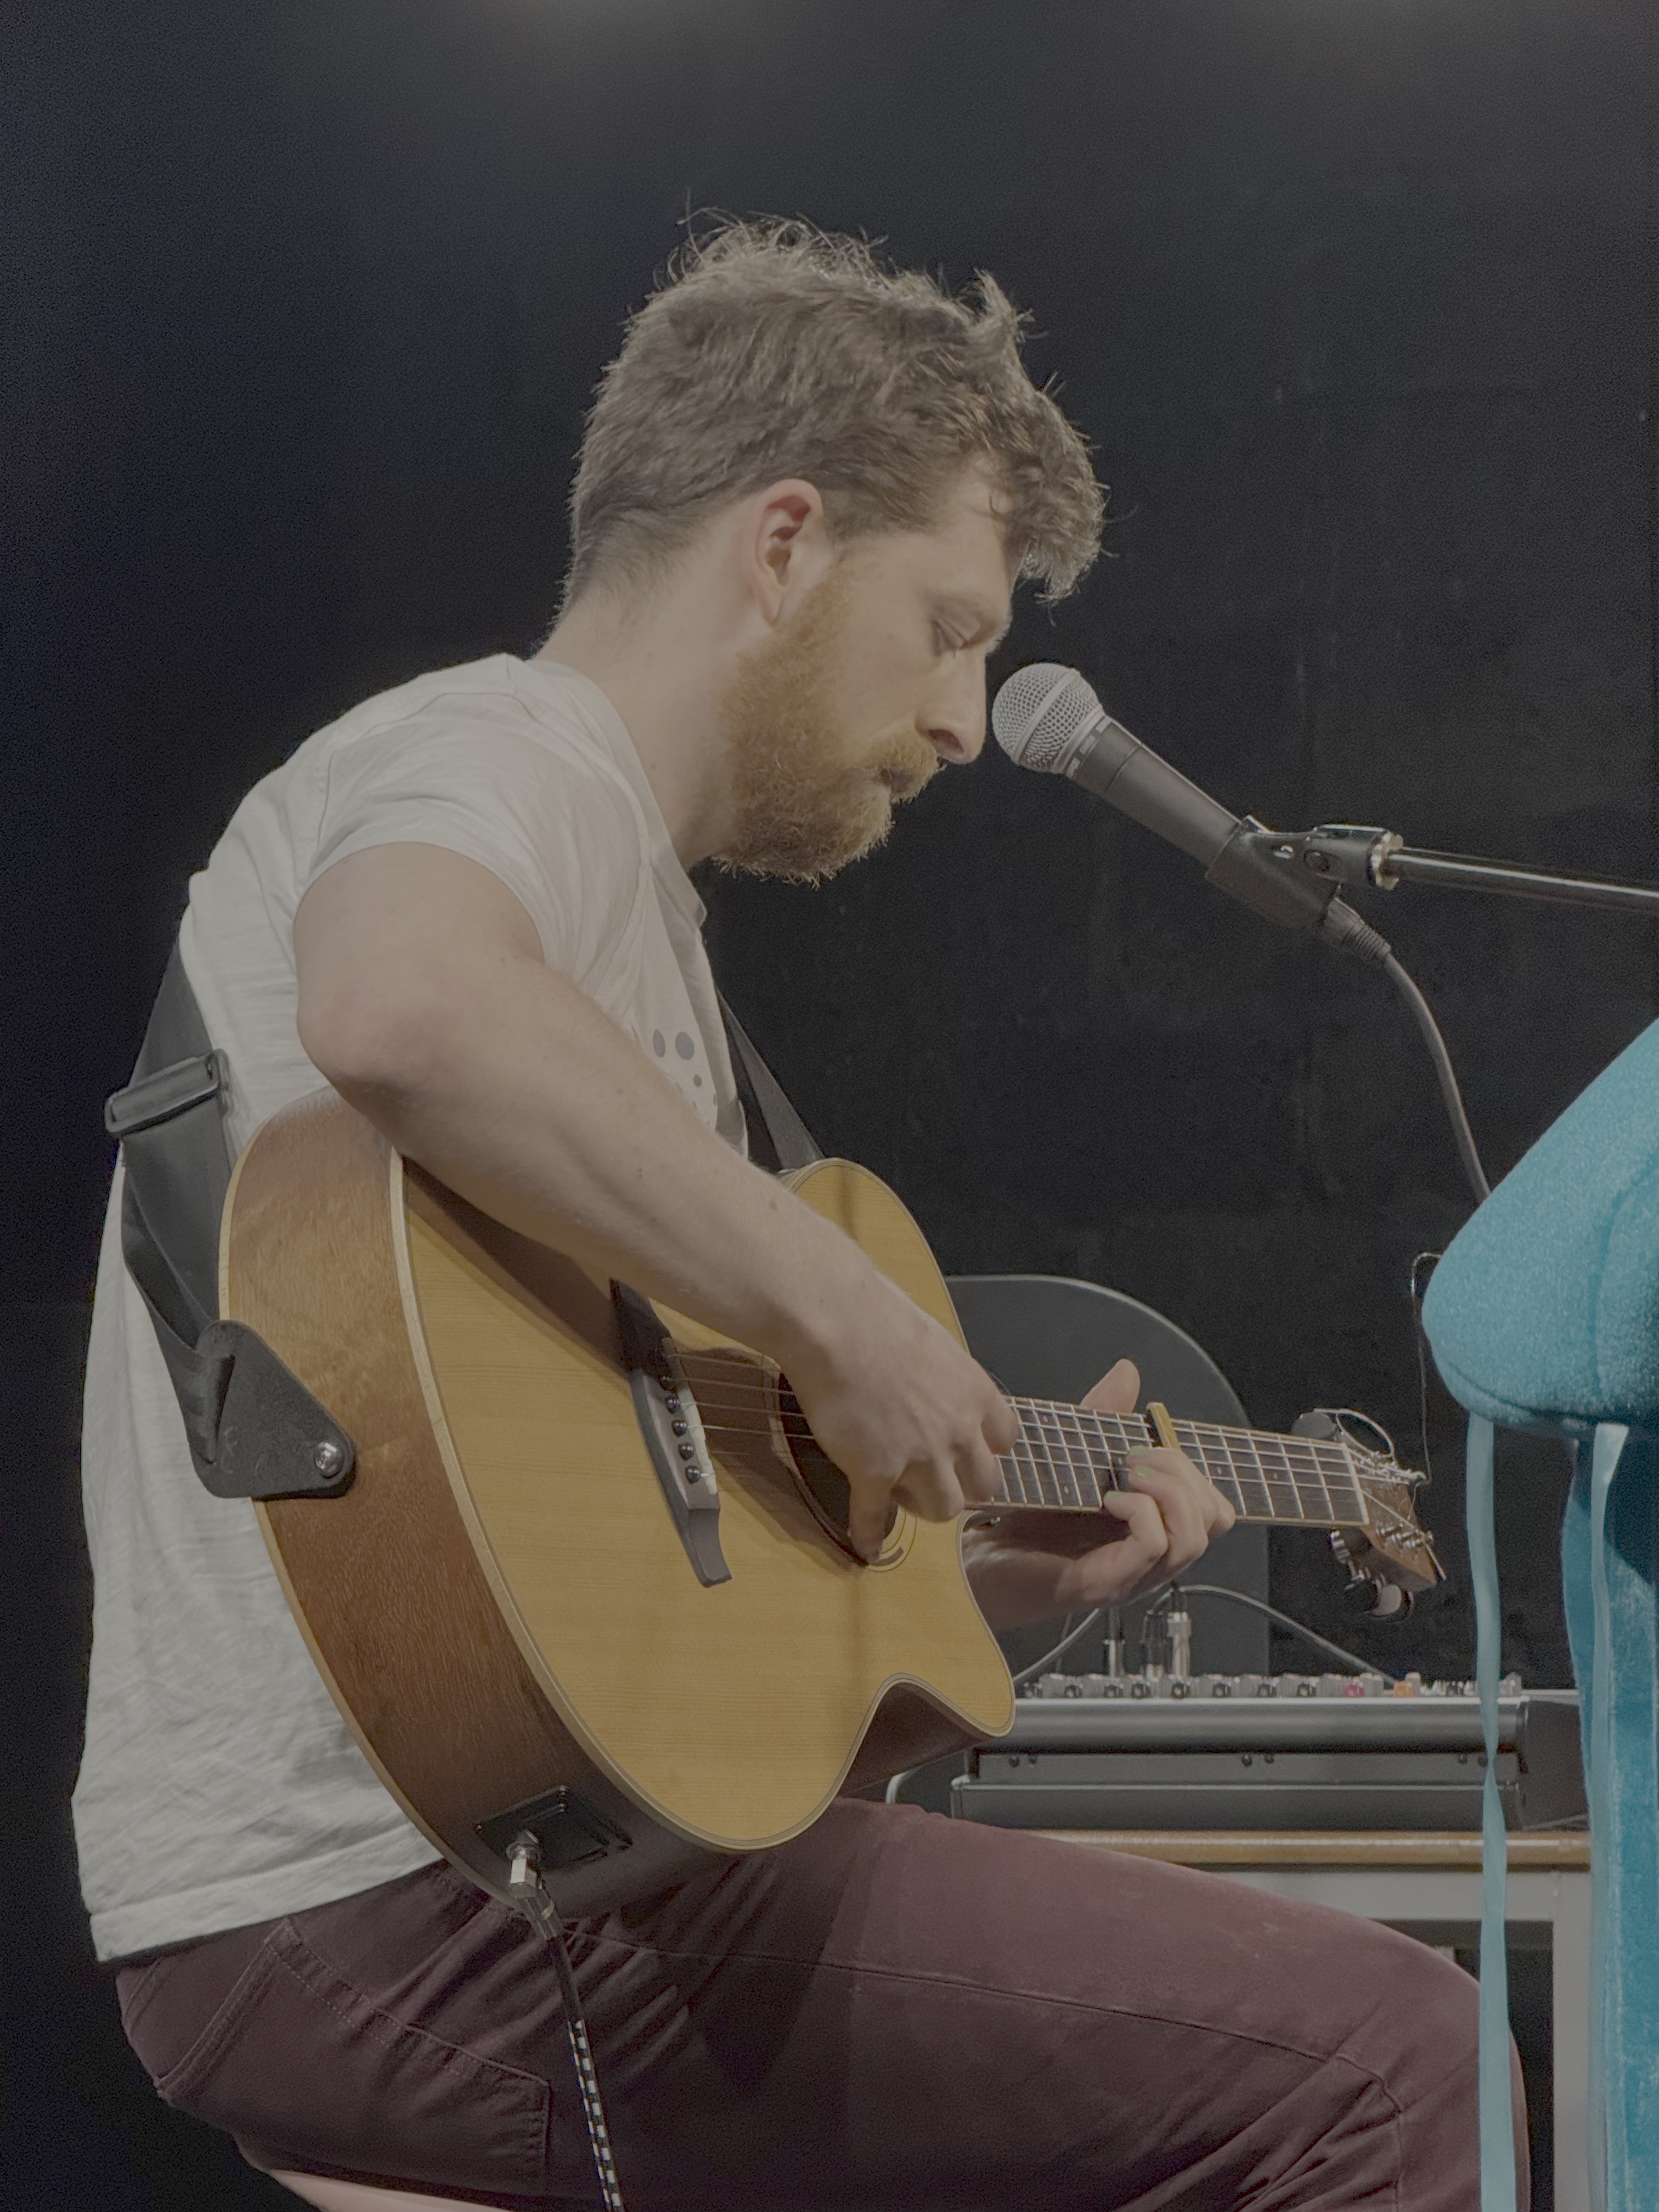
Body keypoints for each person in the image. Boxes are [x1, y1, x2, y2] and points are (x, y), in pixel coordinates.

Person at [80, 220, 1510, 2209]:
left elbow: (625, 1577)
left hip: (438, 1877)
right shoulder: (498, 752)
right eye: (947, 626)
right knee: (1397, 2062)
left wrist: (966, 1591)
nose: (963, 720)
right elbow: (397, 999)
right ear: (780, 546)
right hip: (419, 1883)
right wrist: (842, 1314)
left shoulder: (633, 939)